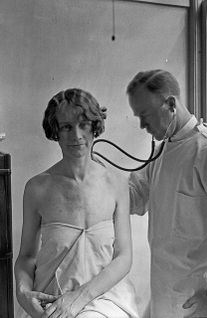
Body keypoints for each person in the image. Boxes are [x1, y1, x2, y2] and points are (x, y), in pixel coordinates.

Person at [15, 88, 139, 318]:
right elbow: (26, 257)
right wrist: (23, 294)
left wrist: (78, 298)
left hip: (103, 298)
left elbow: (124, 256)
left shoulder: (116, 184)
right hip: (50, 298)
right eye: (66, 127)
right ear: (56, 132)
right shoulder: (37, 188)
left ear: (95, 127)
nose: (77, 136)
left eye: (83, 124)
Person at [127, 69, 207, 318]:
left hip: (202, 303)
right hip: (164, 298)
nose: (142, 125)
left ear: (171, 104)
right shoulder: (163, 151)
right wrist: (93, 178)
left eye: (145, 115)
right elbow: (135, 196)